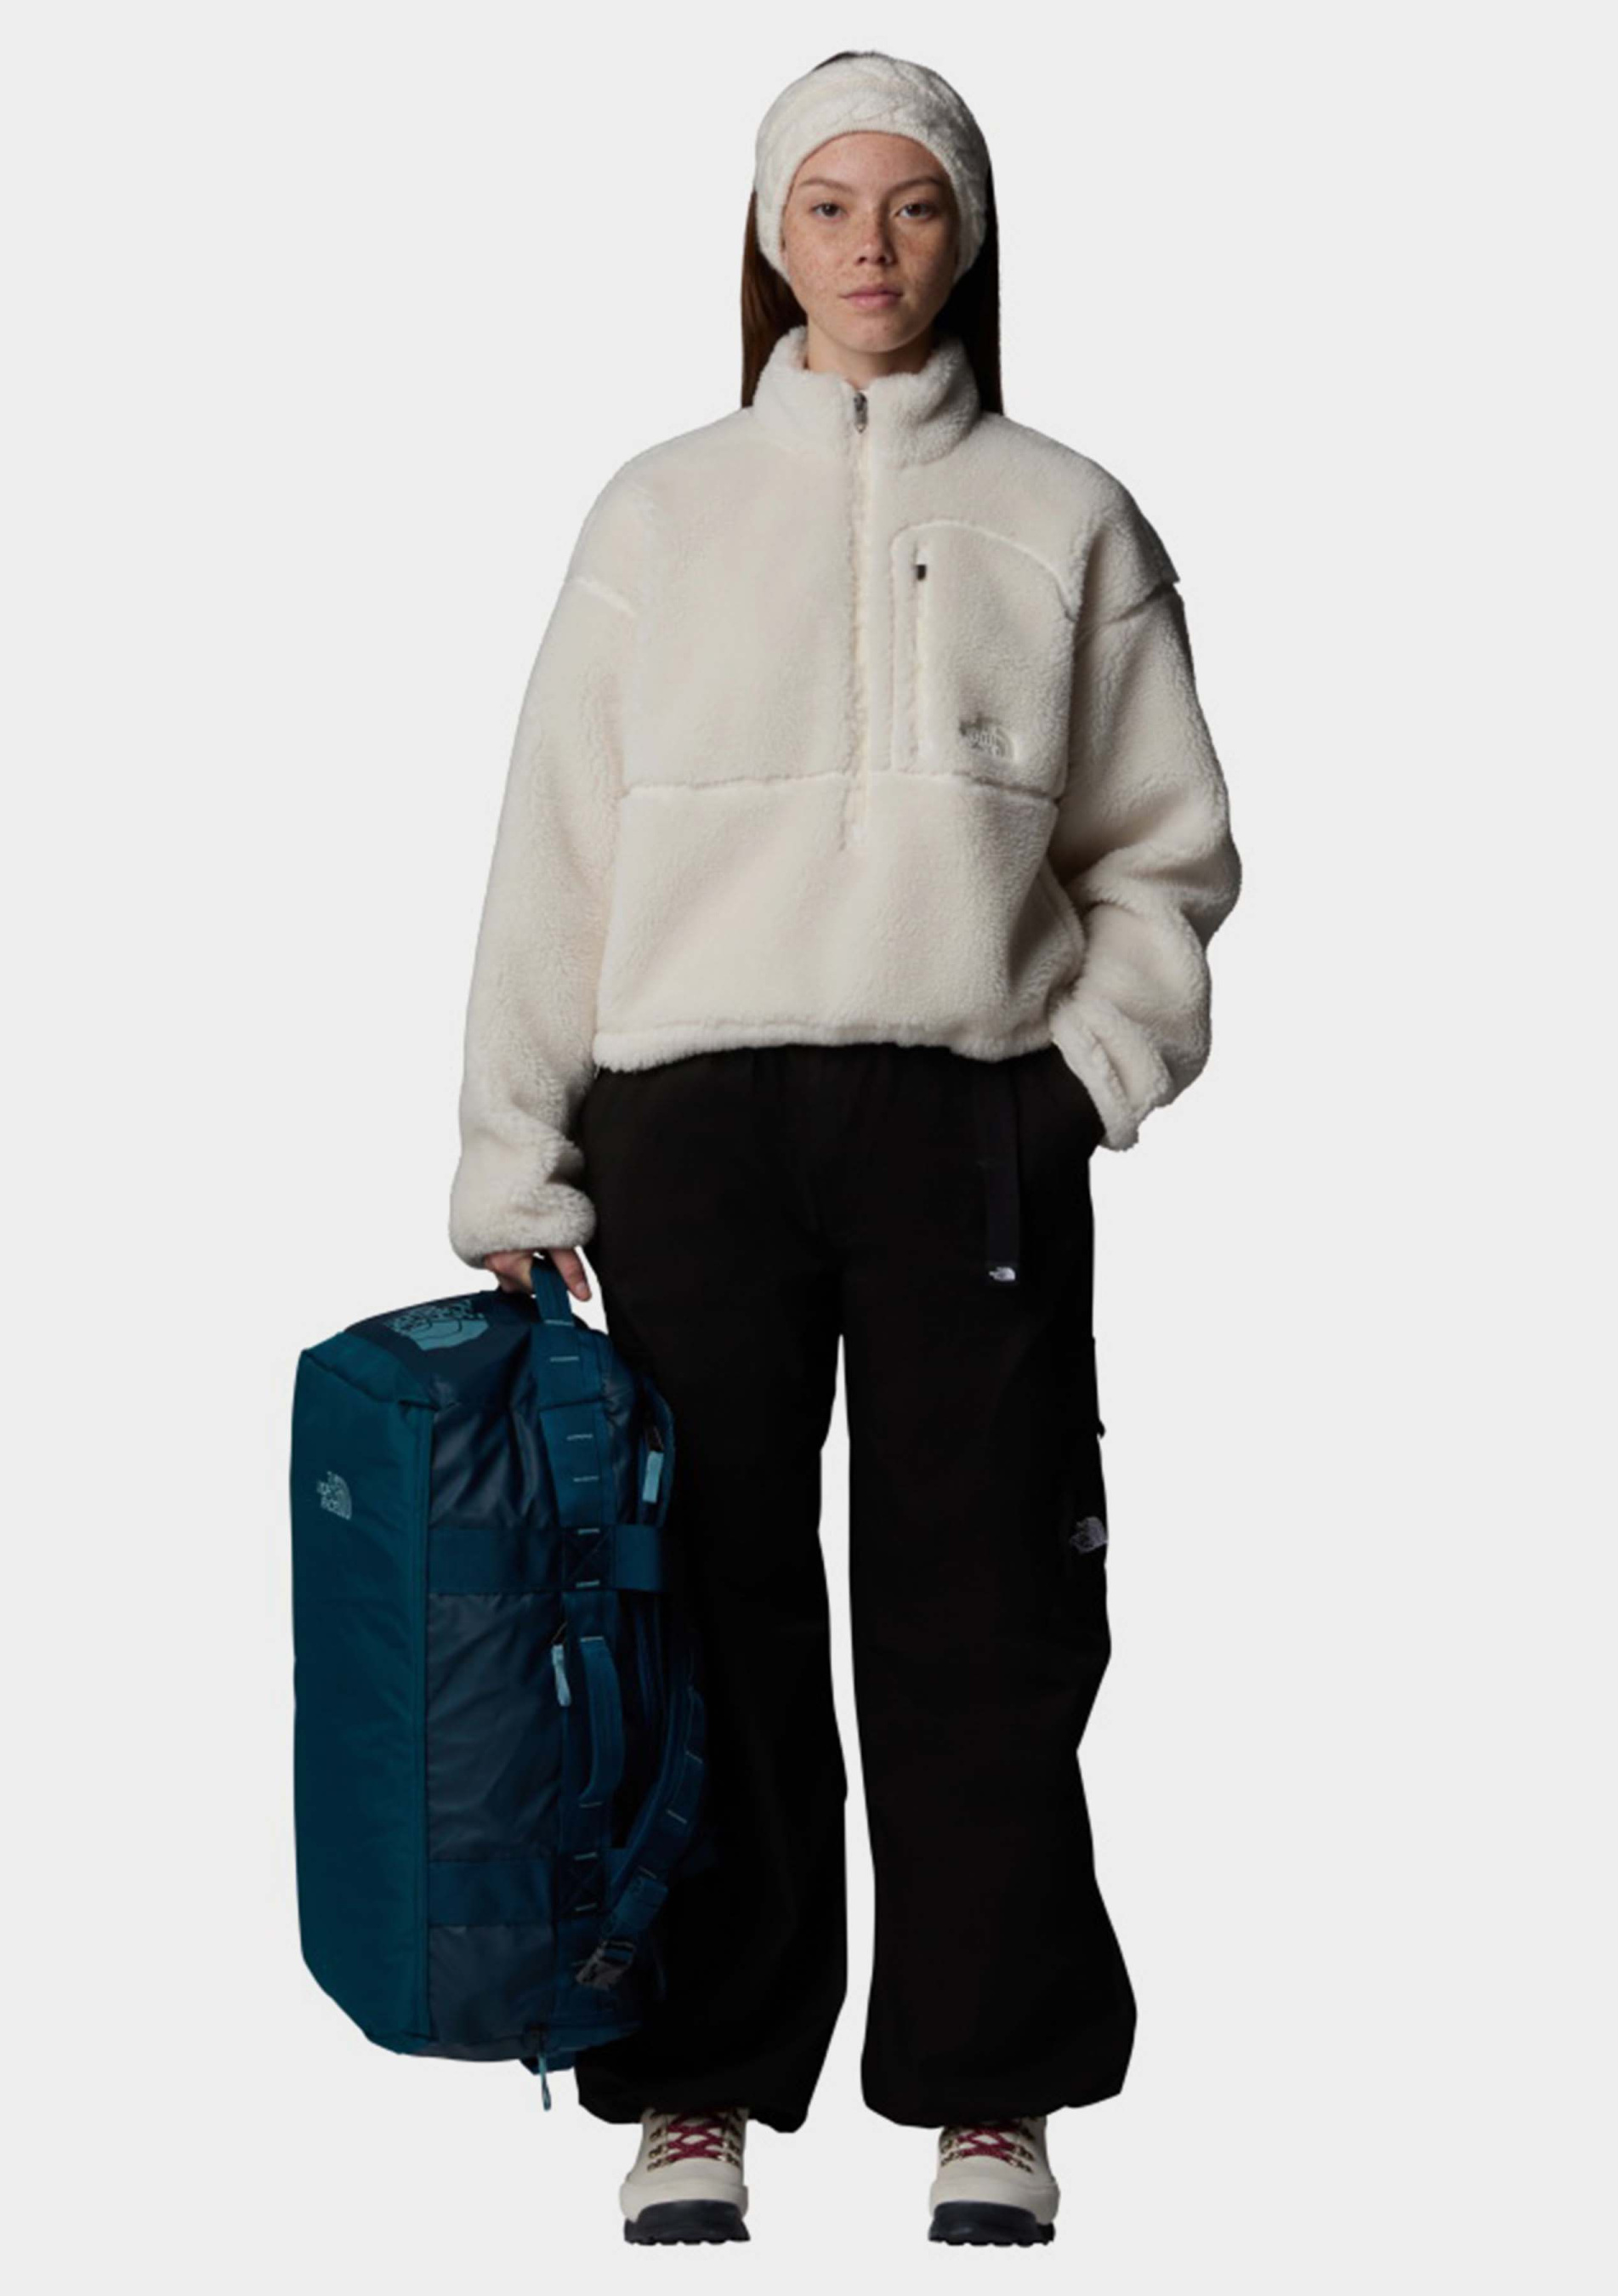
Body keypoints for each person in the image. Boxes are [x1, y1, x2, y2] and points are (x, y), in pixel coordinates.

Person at [447, 47, 1242, 2248]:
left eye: (909, 206)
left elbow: (1163, 852)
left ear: (964, 236)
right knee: (694, 1600)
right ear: (767, 236)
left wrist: (1078, 1079)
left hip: (962, 1120)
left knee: (985, 1602)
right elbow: (552, 849)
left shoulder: (1066, 516)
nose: (868, 248)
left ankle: (990, 2086)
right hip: (686, 1119)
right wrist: (514, 1156)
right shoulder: (658, 513)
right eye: (826, 206)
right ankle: (694, 2078)